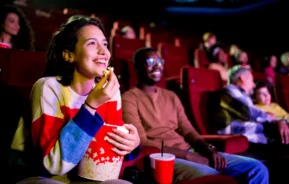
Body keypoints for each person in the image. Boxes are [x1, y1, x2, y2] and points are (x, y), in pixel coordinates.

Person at [14, 15, 140, 184]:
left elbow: (107, 157)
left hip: (87, 177)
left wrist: (131, 145)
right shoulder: (48, 87)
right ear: (69, 55)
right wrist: (91, 106)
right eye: (92, 43)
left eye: (104, 43)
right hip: (47, 176)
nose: (104, 52)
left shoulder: (110, 93)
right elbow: (54, 165)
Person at [121, 47, 269, 184]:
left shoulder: (171, 96)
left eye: (160, 61)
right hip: (162, 157)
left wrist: (208, 150)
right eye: (151, 61)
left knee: (257, 169)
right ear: (137, 67)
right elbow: (141, 142)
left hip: (189, 150)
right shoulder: (129, 98)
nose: (157, 66)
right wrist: (187, 156)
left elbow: (188, 130)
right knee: (212, 177)